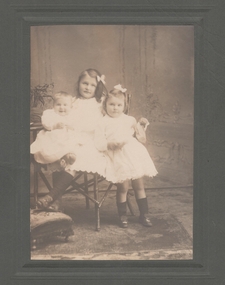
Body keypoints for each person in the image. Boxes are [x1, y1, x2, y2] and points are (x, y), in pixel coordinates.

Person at [35, 68, 107, 211]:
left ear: (97, 87)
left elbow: (108, 122)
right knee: (58, 153)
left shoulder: (100, 104)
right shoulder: (71, 101)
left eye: (92, 85)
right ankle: (56, 201)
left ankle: (52, 197)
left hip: (90, 142)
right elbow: (59, 116)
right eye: (84, 83)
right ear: (78, 83)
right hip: (69, 137)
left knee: (72, 159)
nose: (87, 87)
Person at [94, 84, 158, 228]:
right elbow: (98, 142)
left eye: (119, 105)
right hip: (117, 156)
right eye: (111, 104)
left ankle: (144, 215)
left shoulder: (129, 120)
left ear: (124, 105)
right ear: (105, 104)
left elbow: (139, 136)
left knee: (139, 185)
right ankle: (122, 215)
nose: (115, 108)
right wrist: (109, 145)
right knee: (123, 187)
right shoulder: (102, 122)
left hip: (133, 154)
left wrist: (141, 124)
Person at [30, 91, 77, 169]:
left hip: (65, 137)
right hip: (51, 136)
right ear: (53, 105)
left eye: (65, 105)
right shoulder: (49, 113)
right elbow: (45, 123)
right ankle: (56, 161)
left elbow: (76, 125)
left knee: (71, 142)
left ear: (70, 107)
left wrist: (71, 127)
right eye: (58, 104)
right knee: (49, 149)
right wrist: (55, 126)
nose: (62, 107)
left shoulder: (71, 115)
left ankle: (66, 157)